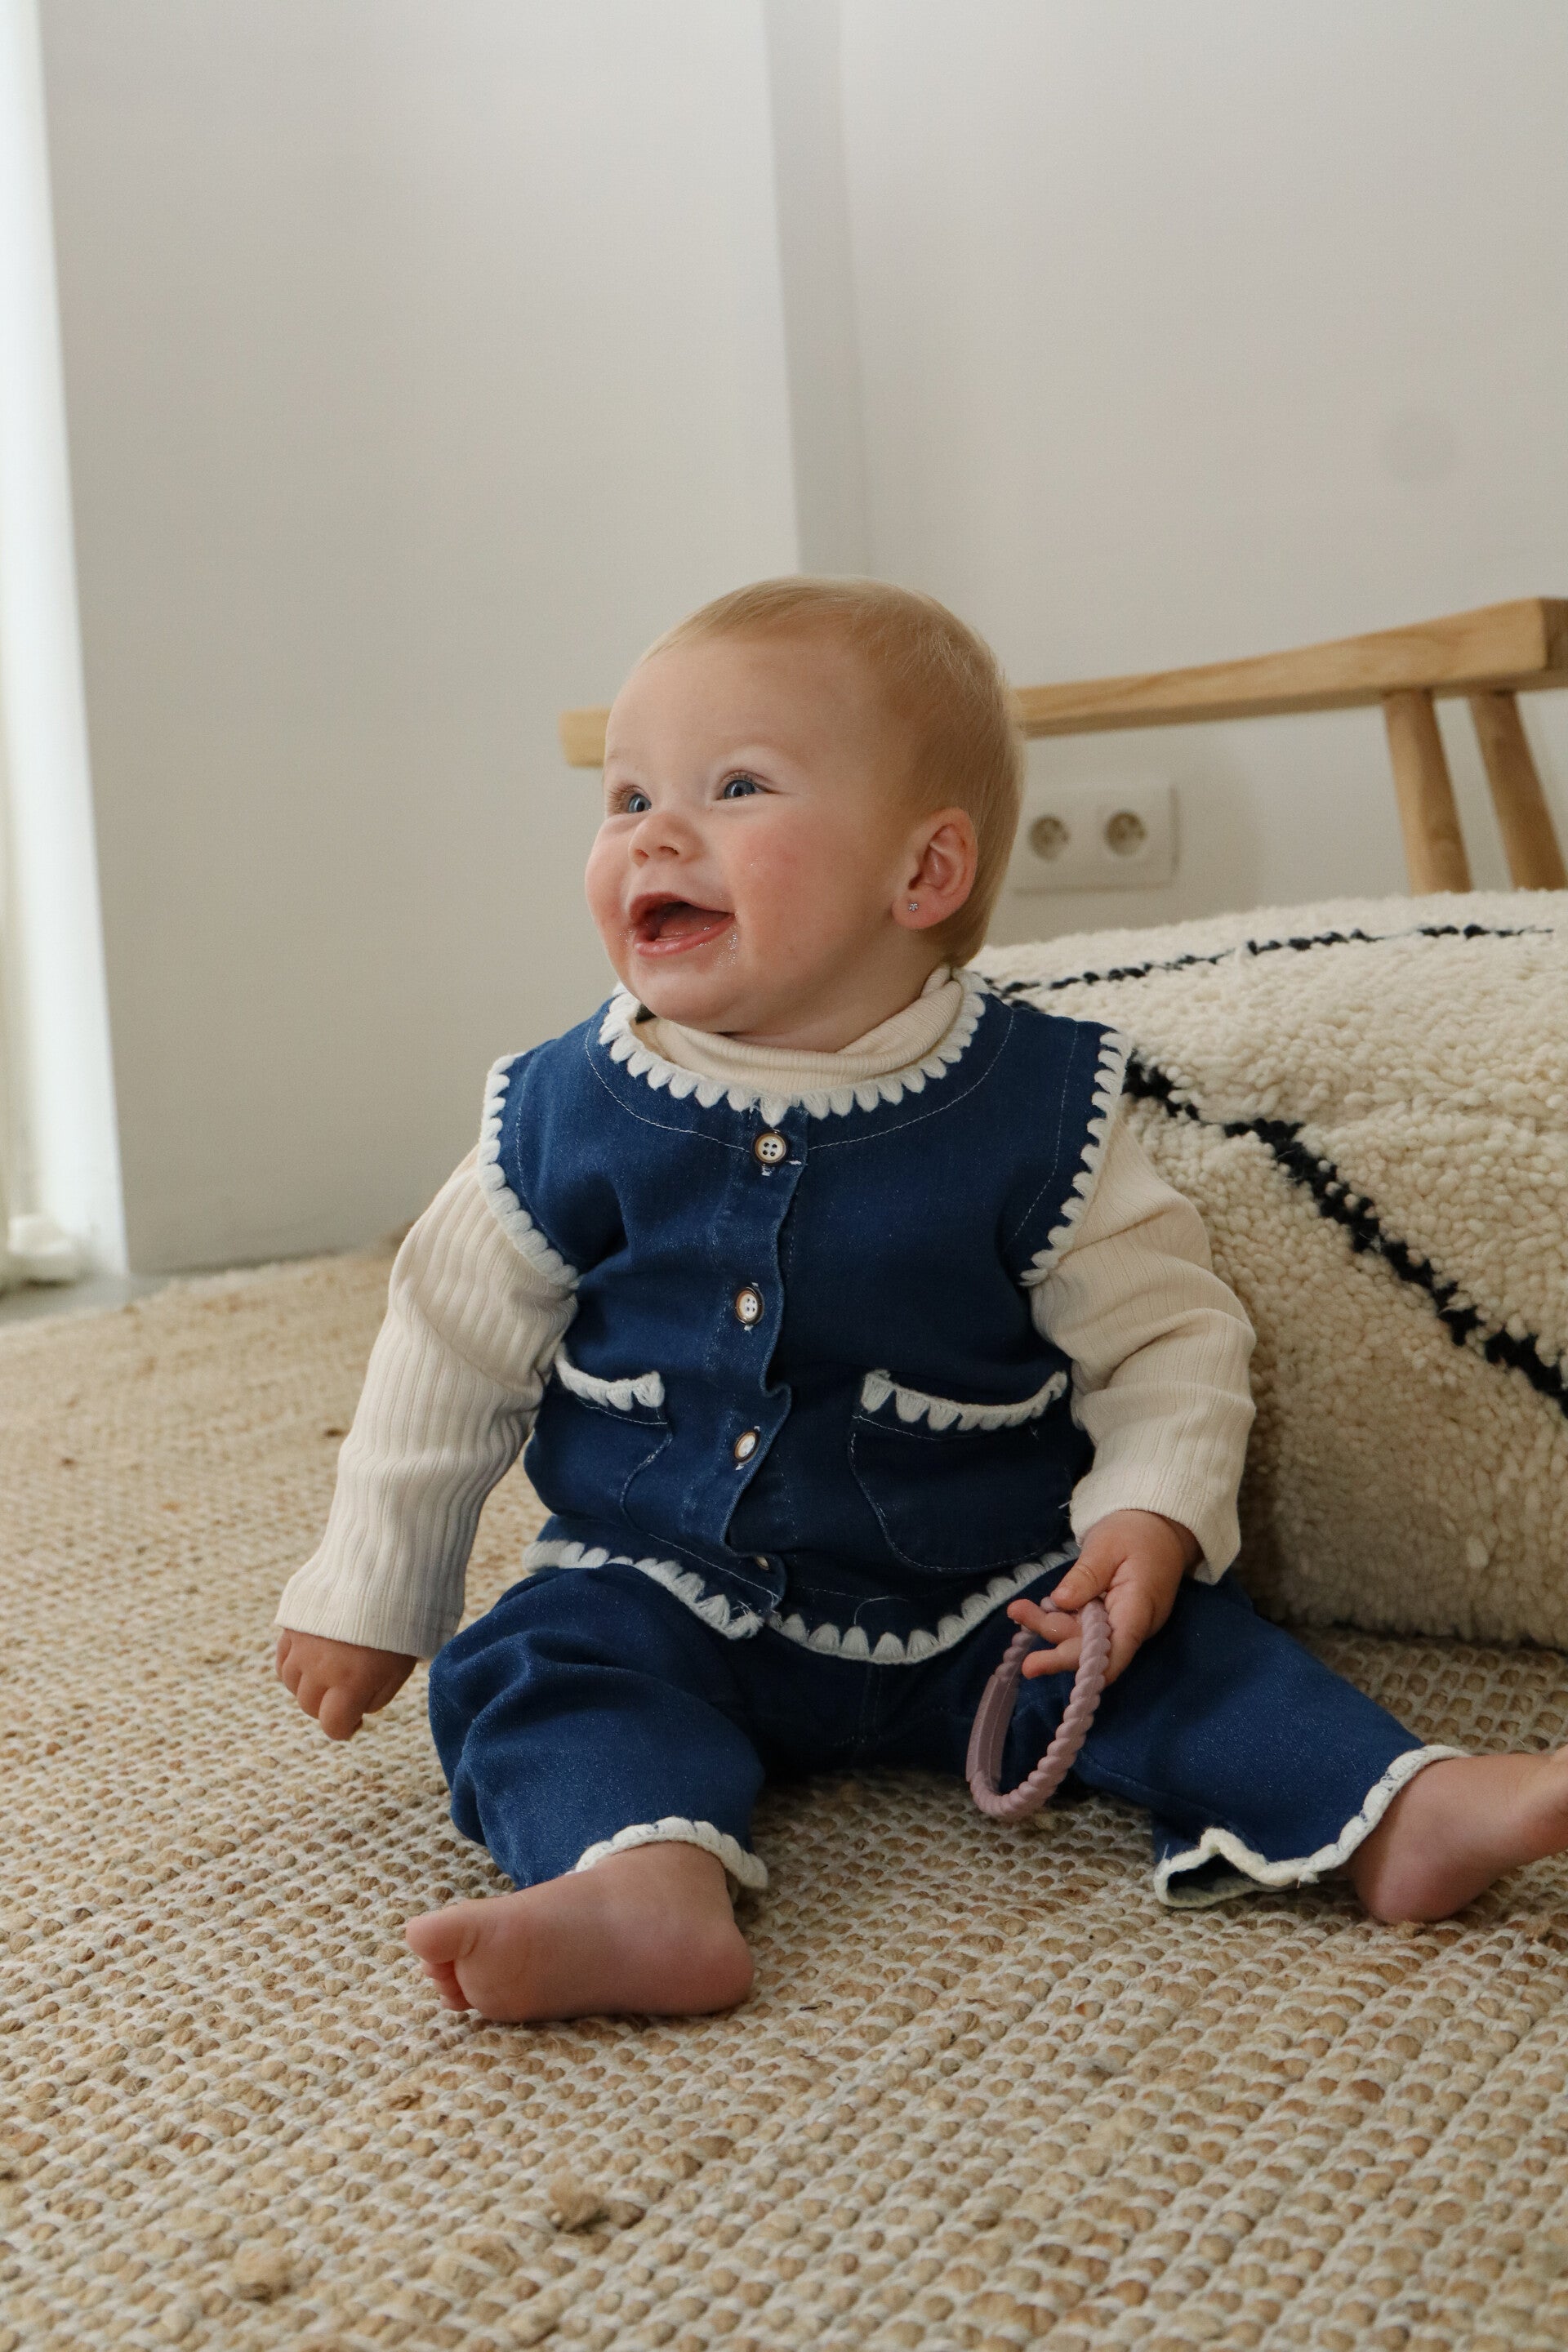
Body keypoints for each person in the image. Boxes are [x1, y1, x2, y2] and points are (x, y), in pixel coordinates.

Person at [275, 577, 1568, 2025]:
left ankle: (1397, 1812)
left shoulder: (1039, 1106)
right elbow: (447, 1356)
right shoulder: (560, 1112)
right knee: (537, 1670)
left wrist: (1151, 1514)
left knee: (1181, 1655)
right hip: (662, 1579)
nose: (653, 834)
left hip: (989, 1589)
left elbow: (1168, 1337)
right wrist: (373, 1587)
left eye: (735, 787)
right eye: (627, 797)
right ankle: (638, 1879)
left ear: (925, 871)